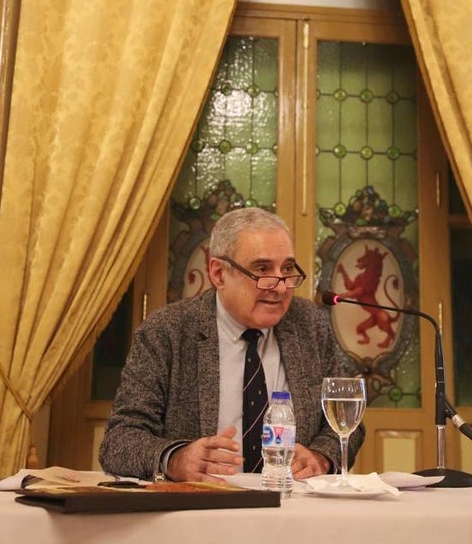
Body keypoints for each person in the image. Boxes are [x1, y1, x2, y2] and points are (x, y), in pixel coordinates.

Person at [99, 206, 364, 482]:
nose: (281, 287)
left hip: (292, 506)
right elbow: (119, 440)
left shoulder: (310, 325)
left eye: (287, 269)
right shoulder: (168, 331)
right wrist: (175, 459)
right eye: (262, 269)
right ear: (218, 273)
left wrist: (320, 458)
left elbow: (348, 422)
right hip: (201, 510)